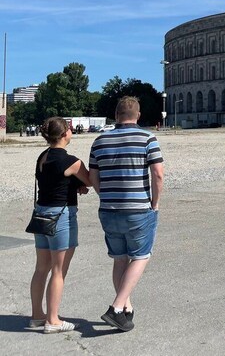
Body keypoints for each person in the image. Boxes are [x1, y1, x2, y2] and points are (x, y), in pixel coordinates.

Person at [89, 96, 164, 332]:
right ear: (138, 116)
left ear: (116, 114)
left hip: (109, 210)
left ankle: (126, 310)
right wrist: (155, 203)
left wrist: (104, 195)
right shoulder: (147, 138)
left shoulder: (99, 141)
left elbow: (93, 176)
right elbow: (158, 174)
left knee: (120, 258)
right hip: (138, 209)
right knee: (141, 256)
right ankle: (116, 306)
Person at [29, 117, 91, 333]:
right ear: (65, 133)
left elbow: (53, 181)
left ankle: (38, 315)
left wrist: (73, 186)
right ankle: (53, 320)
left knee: (41, 268)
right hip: (61, 216)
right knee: (58, 270)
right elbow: (89, 180)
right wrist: (78, 185)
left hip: (41, 214)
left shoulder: (42, 157)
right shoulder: (72, 161)